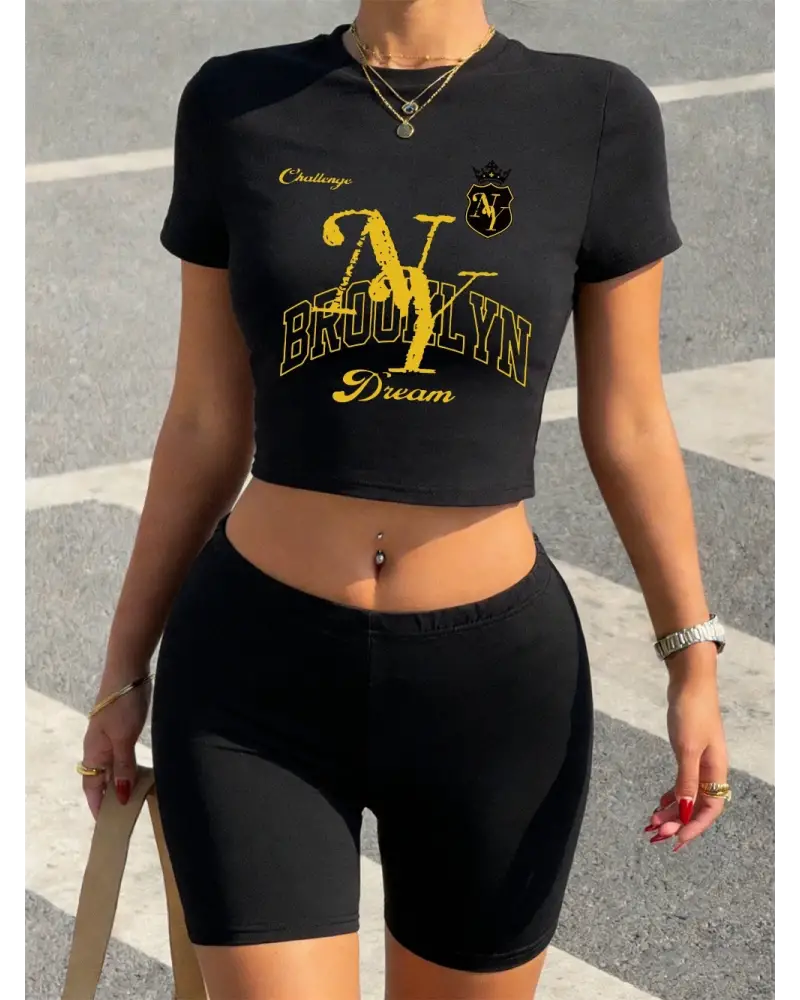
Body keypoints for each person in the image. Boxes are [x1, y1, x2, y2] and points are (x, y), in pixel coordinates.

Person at [77, 2, 731, 998]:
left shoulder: (594, 111)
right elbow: (205, 422)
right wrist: (125, 667)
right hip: (255, 679)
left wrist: (692, 660)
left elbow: (631, 422)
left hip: (492, 692)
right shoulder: (236, 103)